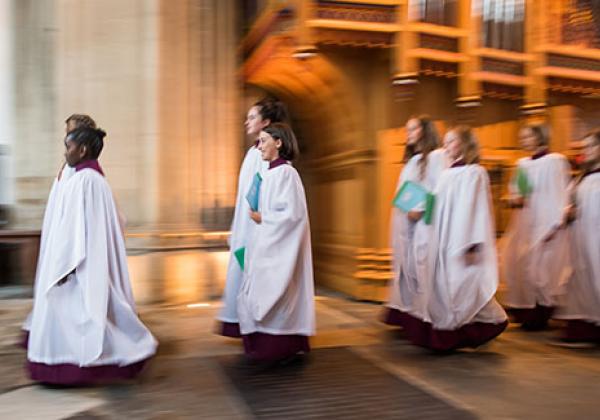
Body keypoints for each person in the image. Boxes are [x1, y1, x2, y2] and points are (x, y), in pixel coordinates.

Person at [25, 127, 157, 385]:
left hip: (75, 264)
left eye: (69, 146)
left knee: (74, 317)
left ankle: (69, 367)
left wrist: (63, 266)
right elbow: (118, 220)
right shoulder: (100, 181)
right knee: (95, 314)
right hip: (93, 260)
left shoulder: (82, 181)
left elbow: (71, 229)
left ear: (82, 149)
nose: (66, 152)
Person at [404, 126, 507, 351]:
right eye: (446, 141)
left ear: (464, 144)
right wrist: (419, 211)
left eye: (451, 141)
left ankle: (469, 331)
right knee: (443, 286)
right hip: (441, 238)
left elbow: (475, 210)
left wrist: (472, 243)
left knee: (460, 286)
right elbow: (437, 203)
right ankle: (449, 334)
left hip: (461, 239)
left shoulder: (474, 172)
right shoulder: (447, 174)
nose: (446, 146)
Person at [237, 123, 315, 362]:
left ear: (278, 143)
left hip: (279, 248)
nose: (259, 146)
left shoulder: (287, 174)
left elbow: (293, 215)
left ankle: (280, 346)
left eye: (263, 141)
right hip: (264, 241)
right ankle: (260, 343)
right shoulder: (268, 174)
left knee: (277, 293)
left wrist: (264, 217)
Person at [20, 114, 98, 343]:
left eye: (70, 133)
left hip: (69, 244)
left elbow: (77, 216)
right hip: (56, 237)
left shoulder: (83, 175)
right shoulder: (69, 167)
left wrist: (67, 253)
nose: (66, 138)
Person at [216, 97, 289, 337]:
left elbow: (265, 192)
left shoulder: (265, 155)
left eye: (252, 117)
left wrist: (257, 224)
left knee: (254, 278)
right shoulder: (253, 152)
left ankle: (259, 328)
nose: (246, 122)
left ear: (266, 122)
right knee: (244, 276)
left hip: (256, 227)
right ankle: (245, 323)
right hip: (245, 225)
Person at [502, 123, 572, 330]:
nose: (523, 140)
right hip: (525, 221)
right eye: (521, 137)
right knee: (520, 264)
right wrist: (513, 199)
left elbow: (561, 191)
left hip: (546, 222)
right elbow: (518, 191)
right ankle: (526, 310)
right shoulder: (522, 163)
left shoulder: (555, 161)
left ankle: (541, 313)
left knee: (543, 269)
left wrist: (556, 221)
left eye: (527, 136)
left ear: (540, 137)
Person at [383, 115, 448, 331]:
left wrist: (420, 208)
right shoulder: (413, 160)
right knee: (409, 268)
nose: (407, 133)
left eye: (412, 129)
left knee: (424, 267)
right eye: (406, 129)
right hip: (408, 223)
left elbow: (441, 189)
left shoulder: (438, 156)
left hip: (426, 224)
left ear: (425, 131)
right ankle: (413, 313)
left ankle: (430, 317)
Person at [554, 129, 600, 345]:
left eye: (591, 146)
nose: (585, 151)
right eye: (584, 147)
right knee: (582, 281)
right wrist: (568, 212)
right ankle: (585, 327)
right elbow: (569, 204)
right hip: (581, 241)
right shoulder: (582, 178)